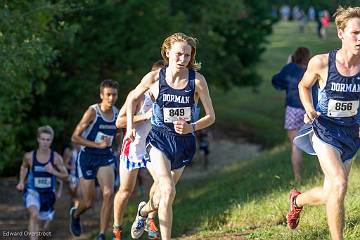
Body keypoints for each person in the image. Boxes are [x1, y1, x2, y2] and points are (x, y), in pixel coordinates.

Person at [125, 32, 215, 240]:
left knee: (164, 194)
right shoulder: (155, 78)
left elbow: (211, 116)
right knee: (168, 190)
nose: (183, 60)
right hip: (159, 139)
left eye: (187, 56)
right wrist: (130, 126)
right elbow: (131, 98)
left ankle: (143, 212)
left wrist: (191, 127)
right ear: (167, 52)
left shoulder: (197, 81)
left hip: (184, 142)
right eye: (178, 54)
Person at [288, 6, 360, 240]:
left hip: (351, 135)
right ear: (341, 33)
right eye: (355, 33)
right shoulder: (321, 62)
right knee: (339, 183)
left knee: (331, 192)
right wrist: (309, 108)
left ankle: (297, 200)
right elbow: (303, 86)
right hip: (325, 131)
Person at [112, 60, 166, 240]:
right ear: (151, 78)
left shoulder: (166, 97)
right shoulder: (137, 96)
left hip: (153, 148)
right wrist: (143, 117)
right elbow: (118, 122)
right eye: (158, 78)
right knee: (126, 191)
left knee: (162, 182)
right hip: (134, 147)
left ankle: (149, 219)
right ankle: (117, 230)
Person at [69, 79, 119, 240]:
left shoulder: (118, 113)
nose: (111, 98)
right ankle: (75, 214)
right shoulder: (93, 112)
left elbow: (117, 132)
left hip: (105, 158)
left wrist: (118, 144)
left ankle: (102, 234)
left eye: (114, 95)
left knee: (108, 193)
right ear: (101, 95)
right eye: (108, 95)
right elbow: (75, 137)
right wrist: (96, 145)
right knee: (89, 202)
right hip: (87, 158)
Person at [272, 47, 317, 183]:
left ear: (294, 57)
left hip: (293, 110)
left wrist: (286, 65)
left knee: (295, 145)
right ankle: (322, 175)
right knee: (319, 143)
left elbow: (276, 81)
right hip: (310, 109)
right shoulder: (312, 69)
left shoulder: (289, 68)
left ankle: (298, 178)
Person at [16, 125, 68, 240]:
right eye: (43, 139)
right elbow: (24, 167)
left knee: (41, 224)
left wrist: (53, 171)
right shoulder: (29, 156)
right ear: (38, 139)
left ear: (51, 141)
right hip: (32, 191)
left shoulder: (56, 158)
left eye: (48, 140)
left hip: (48, 195)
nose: (45, 142)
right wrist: (21, 181)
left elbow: (65, 176)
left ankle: (39, 233)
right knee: (34, 215)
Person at [63, 143, 81, 209]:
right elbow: (65, 164)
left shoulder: (84, 153)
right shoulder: (72, 153)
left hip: (80, 176)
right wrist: (72, 167)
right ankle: (73, 206)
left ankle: (75, 208)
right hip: (73, 175)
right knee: (73, 192)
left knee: (78, 193)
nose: (78, 145)